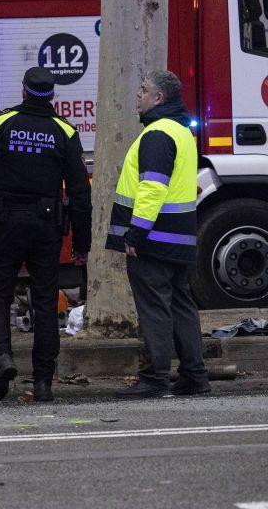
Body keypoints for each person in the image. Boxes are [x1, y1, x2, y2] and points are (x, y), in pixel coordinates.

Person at [0, 66, 91, 403]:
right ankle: (43, 381)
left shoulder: (1, 125)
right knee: (44, 301)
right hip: (47, 228)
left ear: (24, 91)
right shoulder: (64, 132)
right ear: (52, 95)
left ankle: (2, 358)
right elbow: (79, 192)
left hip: (6, 226)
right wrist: (81, 243)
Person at [107, 70, 208, 399]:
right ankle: (194, 376)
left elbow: (152, 188)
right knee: (181, 305)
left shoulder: (157, 134)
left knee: (154, 307)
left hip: (154, 239)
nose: (138, 94)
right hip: (178, 238)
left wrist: (135, 234)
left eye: (143, 90)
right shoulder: (181, 132)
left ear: (158, 98)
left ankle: (156, 378)